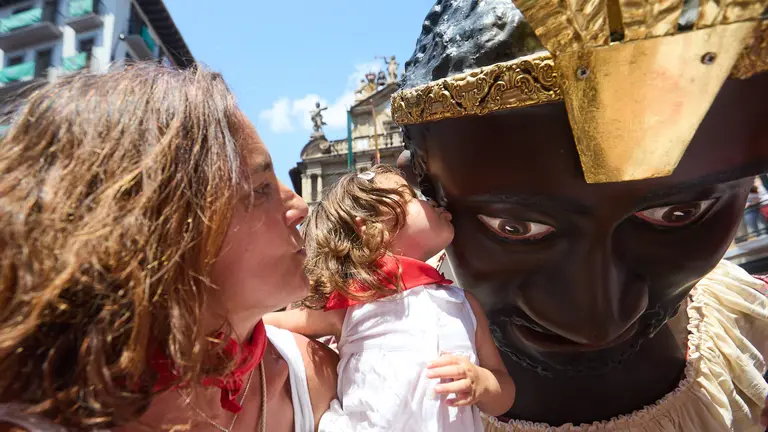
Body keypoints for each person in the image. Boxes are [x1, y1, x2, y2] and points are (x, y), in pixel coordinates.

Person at [392, 0, 768, 430]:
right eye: (515, 228)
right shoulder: (343, 368)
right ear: (425, 189)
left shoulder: (752, 339)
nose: (597, 323)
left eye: (677, 213)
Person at [0, 63, 338, 432]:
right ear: (164, 226)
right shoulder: (33, 413)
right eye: (260, 189)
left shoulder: (316, 377)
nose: (301, 208)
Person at [265, 165, 516, 431]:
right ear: (373, 228)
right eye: (411, 196)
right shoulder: (352, 301)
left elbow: (504, 393)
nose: (430, 201)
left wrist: (481, 383)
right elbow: (266, 323)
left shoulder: (463, 303)